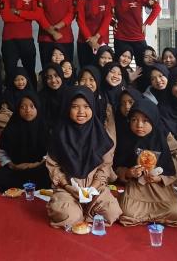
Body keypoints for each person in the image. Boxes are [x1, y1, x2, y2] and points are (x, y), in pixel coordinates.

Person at [45, 86, 122, 229]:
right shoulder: (59, 134)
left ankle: (85, 211)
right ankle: (77, 211)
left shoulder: (100, 134)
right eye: (75, 107)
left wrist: (93, 188)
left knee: (112, 212)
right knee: (69, 217)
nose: (81, 111)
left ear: (93, 107)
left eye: (86, 106)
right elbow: (53, 166)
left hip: (95, 188)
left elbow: (105, 166)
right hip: (68, 189)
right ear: (67, 108)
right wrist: (68, 187)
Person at [115, 99, 177, 227]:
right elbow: (117, 167)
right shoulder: (127, 139)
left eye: (145, 120)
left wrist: (158, 178)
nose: (139, 125)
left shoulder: (160, 140)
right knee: (127, 211)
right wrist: (129, 173)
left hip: (158, 187)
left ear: (154, 121)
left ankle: (145, 217)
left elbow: (170, 172)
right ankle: (155, 217)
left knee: (174, 212)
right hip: (136, 185)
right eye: (134, 120)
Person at [0, 92, 51, 192]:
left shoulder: (44, 127)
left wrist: (35, 165)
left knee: (51, 177)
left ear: (37, 108)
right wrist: (12, 165)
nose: (28, 110)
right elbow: (1, 153)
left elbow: (51, 153)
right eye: (23, 107)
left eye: (32, 106)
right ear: (18, 109)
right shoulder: (12, 127)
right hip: (16, 169)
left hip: (39, 167)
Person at [0, 0, 41, 85]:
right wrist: (27, 16)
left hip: (26, 39)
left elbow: (37, 15)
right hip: (9, 40)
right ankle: (10, 97)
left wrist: (18, 12)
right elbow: (6, 17)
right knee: (10, 73)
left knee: (30, 72)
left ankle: (32, 95)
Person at [112, 0, 160, 73]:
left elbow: (157, 7)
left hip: (138, 37)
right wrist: (112, 23)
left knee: (143, 68)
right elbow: (105, 14)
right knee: (121, 68)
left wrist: (146, 23)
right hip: (121, 38)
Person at [35, 0, 77, 68]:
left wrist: (59, 25)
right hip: (46, 38)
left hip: (65, 37)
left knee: (66, 69)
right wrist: (52, 31)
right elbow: (38, 15)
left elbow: (72, 12)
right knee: (48, 69)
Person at [76, 0, 114, 68]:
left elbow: (107, 18)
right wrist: (90, 39)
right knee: (86, 69)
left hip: (101, 40)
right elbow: (80, 20)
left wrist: (96, 37)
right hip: (84, 41)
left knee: (103, 69)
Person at [38, 63, 68, 133]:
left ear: (61, 75)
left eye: (56, 76)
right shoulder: (40, 96)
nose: (53, 80)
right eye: (49, 77)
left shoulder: (70, 94)